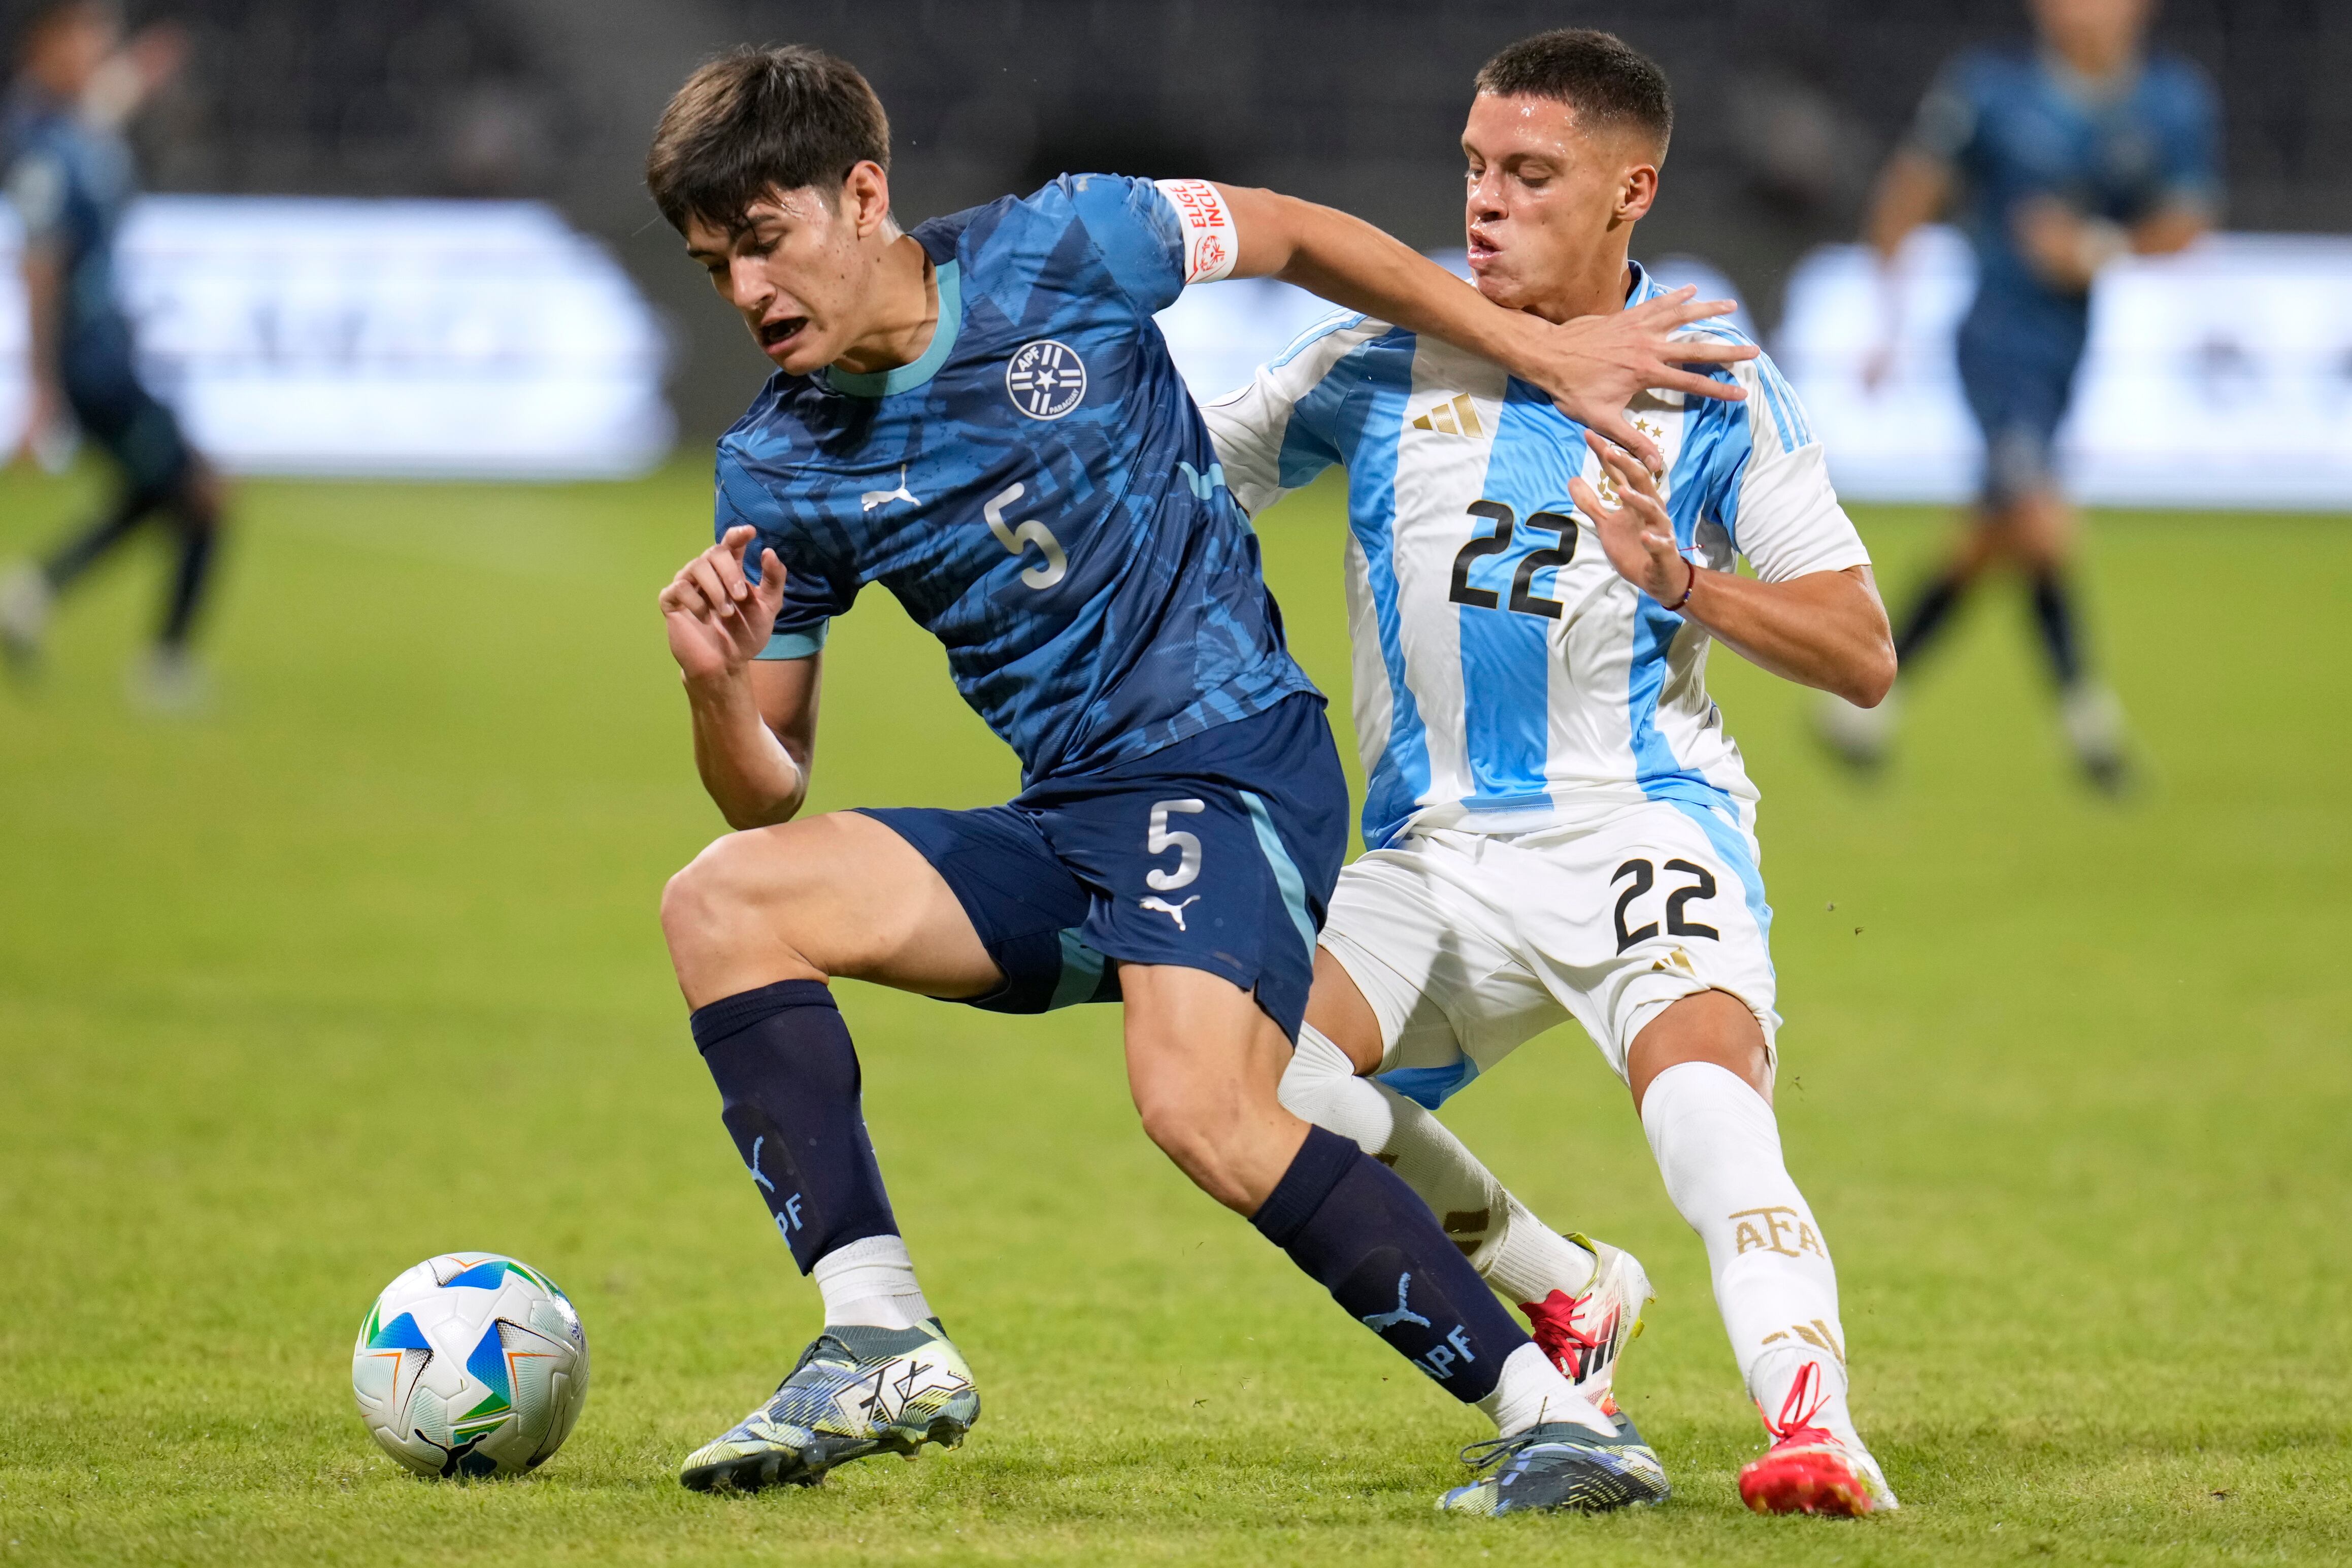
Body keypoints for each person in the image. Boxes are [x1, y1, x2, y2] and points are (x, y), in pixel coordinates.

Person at [642, 45, 1755, 1507]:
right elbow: (767, 784)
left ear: (863, 195)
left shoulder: (1070, 242)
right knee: (725, 899)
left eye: (765, 243)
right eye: (716, 263)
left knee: (1198, 1102)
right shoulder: (779, 465)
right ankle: (875, 1335)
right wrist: (718, 690)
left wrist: (1532, 347)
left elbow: (1295, 233)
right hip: (1077, 813)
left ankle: (1561, 1417)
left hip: (1226, 754)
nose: (747, 293)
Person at [1201, 28, 1902, 1515]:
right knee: (1252, 1086)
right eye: (1474, 168)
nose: (1485, 204)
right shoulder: (1374, 360)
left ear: (1630, 189)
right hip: (1431, 851)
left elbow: (1859, 651)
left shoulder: (1716, 387)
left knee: (1706, 1107)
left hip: (1639, 820)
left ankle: (1815, 1427)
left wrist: (1686, 585)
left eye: (1530, 174)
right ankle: (1566, 1288)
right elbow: (1182, 485)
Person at [1819, 0, 2218, 790]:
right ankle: (2088, 724)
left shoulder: (2170, 101)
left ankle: (1863, 698)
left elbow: (2186, 226)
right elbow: (1909, 193)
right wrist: (1883, 322)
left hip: (2066, 351)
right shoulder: (1992, 91)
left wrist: (2096, 248)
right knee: (2037, 520)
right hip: (1992, 344)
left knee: (1991, 534)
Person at [0, 0, 223, 708]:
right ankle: (166, 668)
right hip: (91, 360)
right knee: (203, 490)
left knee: (159, 494)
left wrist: (141, 72)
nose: (102, 46)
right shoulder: (40, 138)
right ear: (48, 41)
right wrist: (41, 387)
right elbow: (40, 262)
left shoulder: (71, 118)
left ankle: (33, 593)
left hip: (106, 349)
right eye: (90, 32)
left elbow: (102, 102)